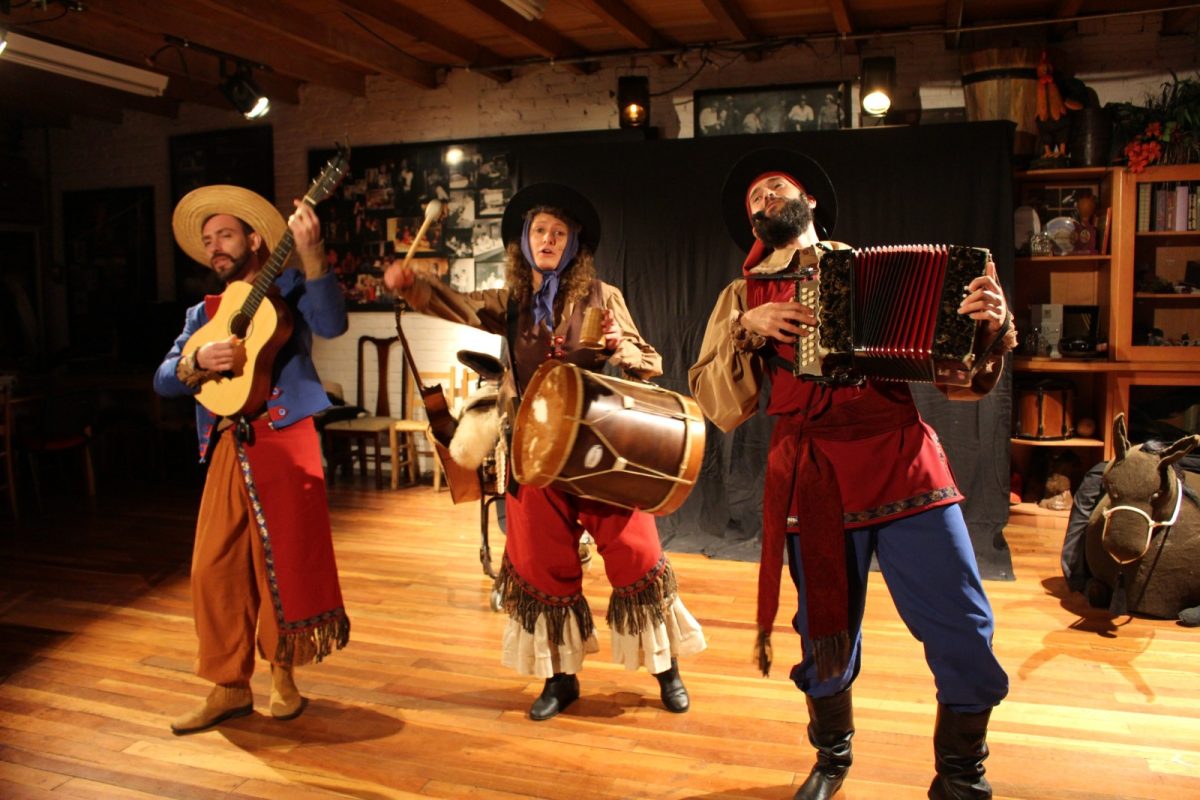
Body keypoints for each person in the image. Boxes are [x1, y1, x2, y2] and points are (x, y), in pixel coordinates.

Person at [688, 149, 1016, 799]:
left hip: (904, 462)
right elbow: (717, 400)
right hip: (816, 477)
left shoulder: (883, 272)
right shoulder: (740, 297)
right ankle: (832, 757)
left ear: (809, 203)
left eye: (776, 188)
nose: (764, 199)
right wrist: (744, 331)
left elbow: (961, 382)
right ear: (751, 227)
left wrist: (992, 329)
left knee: (966, 626)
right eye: (753, 198)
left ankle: (960, 777)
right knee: (824, 634)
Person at [383, 183, 706, 720]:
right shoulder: (509, 302)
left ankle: (666, 667)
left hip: (600, 449)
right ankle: (561, 679)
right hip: (532, 452)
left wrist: (626, 352)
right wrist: (413, 283)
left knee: (638, 557)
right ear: (524, 243)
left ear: (574, 242)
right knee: (540, 567)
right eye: (540, 231)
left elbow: (646, 359)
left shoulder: (602, 296)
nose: (549, 240)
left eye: (559, 232)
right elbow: (455, 305)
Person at [154, 185, 350, 735]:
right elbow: (164, 378)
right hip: (227, 440)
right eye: (208, 239)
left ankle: (283, 674)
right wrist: (195, 359)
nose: (215, 247)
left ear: (255, 238)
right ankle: (227, 686)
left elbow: (333, 323)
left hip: (285, 435)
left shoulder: (288, 290)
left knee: (283, 562)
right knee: (213, 566)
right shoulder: (205, 312)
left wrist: (313, 257)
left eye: (226, 235)